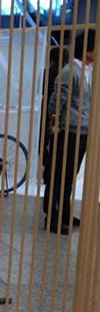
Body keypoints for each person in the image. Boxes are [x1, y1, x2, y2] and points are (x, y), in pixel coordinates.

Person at [44, 30, 94, 235]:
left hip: (82, 131)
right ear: (88, 50)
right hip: (68, 131)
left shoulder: (87, 71)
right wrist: (54, 124)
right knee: (60, 175)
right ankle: (52, 216)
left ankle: (64, 213)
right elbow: (56, 100)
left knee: (69, 176)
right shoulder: (70, 71)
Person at [39, 46, 70, 190]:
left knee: (43, 144)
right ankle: (52, 174)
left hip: (46, 111)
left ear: (52, 59)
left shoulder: (47, 73)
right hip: (62, 115)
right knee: (57, 147)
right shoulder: (66, 73)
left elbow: (41, 91)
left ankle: (48, 172)